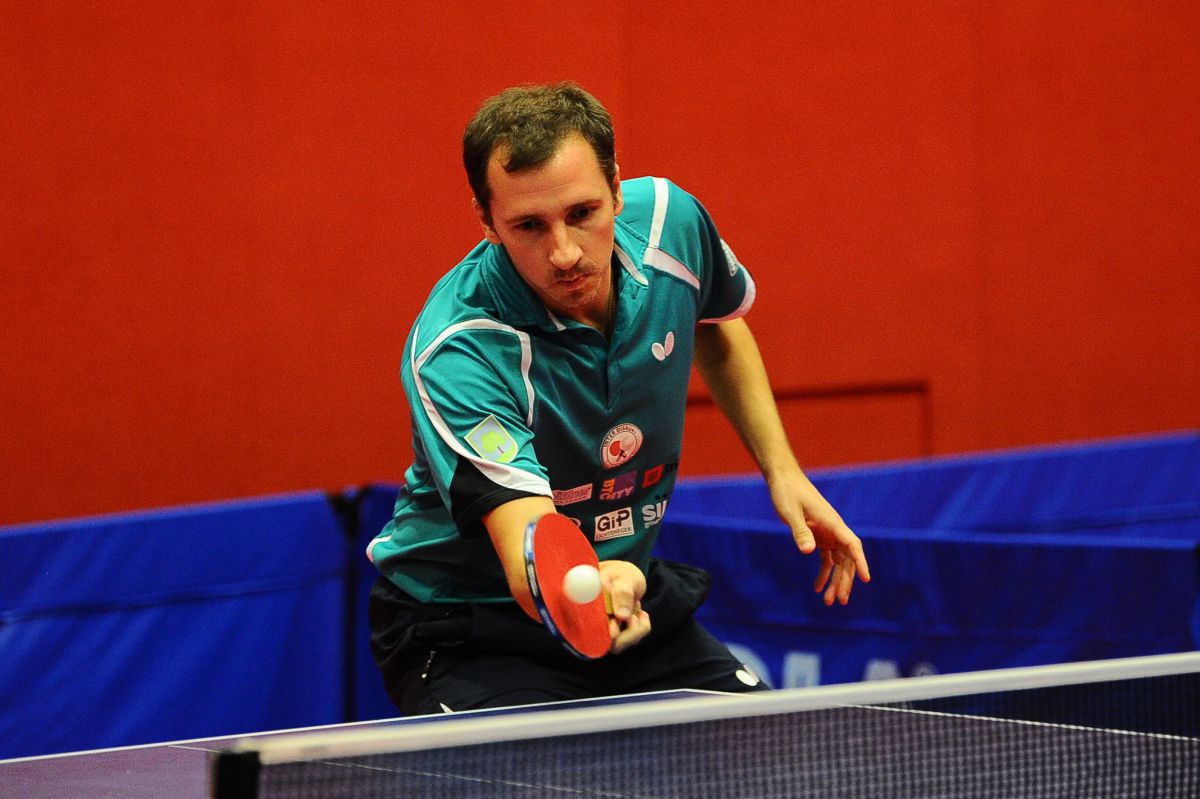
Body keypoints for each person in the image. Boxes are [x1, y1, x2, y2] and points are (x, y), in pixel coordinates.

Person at [366, 82, 870, 714]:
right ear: (486, 221)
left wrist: (782, 470)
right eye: (529, 226)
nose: (564, 252)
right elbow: (529, 547)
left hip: (626, 596)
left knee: (772, 749)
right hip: (475, 624)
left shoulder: (670, 227)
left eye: (583, 212)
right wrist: (601, 582)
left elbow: (715, 323)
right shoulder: (460, 348)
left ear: (616, 188)